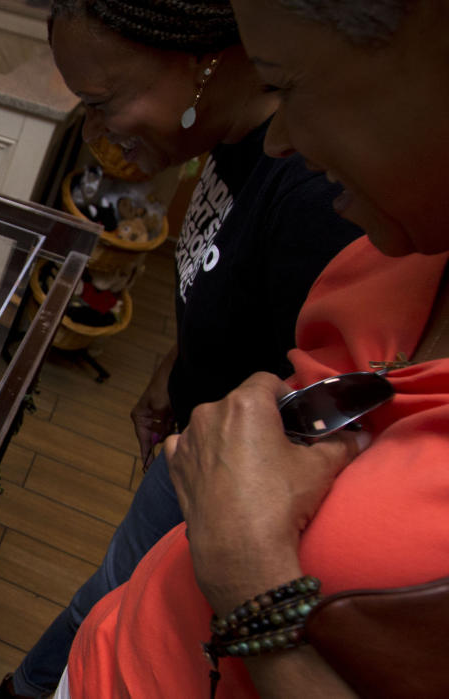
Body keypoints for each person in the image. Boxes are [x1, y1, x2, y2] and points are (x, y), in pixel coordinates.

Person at [0, 1, 361, 697]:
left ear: (205, 64)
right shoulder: (228, 141)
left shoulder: (306, 198)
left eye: (105, 100)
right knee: (104, 594)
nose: (96, 129)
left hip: (235, 505)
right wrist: (175, 363)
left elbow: (316, 394)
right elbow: (230, 280)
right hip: (194, 442)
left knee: (120, 600)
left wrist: (246, 573)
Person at [59, 0, 449, 696]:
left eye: (290, 84)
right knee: (108, 586)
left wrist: (251, 588)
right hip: (142, 609)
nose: (281, 137)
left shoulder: (321, 207)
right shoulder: (394, 254)